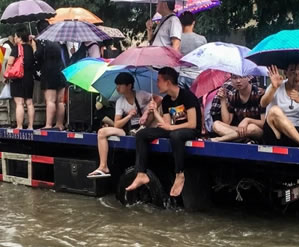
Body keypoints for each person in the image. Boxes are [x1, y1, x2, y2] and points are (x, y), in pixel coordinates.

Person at [126, 67, 202, 197]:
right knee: (142, 134)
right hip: (173, 130)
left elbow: (192, 123)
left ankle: (179, 174)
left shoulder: (187, 96)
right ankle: (141, 173)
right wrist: (155, 111)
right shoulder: (166, 100)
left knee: (175, 135)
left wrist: (171, 128)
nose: (157, 84)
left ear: (168, 82)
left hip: (189, 131)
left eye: (159, 81)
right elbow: (166, 124)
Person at [87, 73, 159, 178]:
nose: (117, 88)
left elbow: (159, 99)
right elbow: (117, 124)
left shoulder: (141, 95)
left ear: (129, 86)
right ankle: (103, 166)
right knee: (102, 132)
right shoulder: (120, 101)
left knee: (152, 108)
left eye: (120, 85)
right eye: (117, 85)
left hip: (144, 126)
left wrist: (146, 112)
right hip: (129, 129)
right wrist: (129, 116)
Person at [34, 20, 67, 130]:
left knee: (51, 101)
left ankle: (48, 124)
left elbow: (38, 56)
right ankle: (60, 124)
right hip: (61, 71)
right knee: (60, 101)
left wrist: (34, 46)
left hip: (49, 72)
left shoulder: (41, 40)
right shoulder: (56, 38)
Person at [211, 74, 264, 142]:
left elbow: (264, 124)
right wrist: (223, 100)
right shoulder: (233, 95)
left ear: (248, 78)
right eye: (234, 78)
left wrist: (247, 120)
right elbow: (227, 122)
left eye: (241, 77)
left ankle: (222, 139)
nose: (238, 81)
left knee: (251, 127)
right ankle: (243, 140)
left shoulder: (259, 94)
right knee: (216, 124)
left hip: (256, 130)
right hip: (239, 129)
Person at [6, 28, 35, 129]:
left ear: (19, 38)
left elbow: (10, 62)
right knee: (29, 103)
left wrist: (6, 74)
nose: (14, 38)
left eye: (15, 36)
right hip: (29, 78)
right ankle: (31, 126)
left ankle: (19, 126)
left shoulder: (17, 48)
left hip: (18, 78)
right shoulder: (31, 48)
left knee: (19, 103)